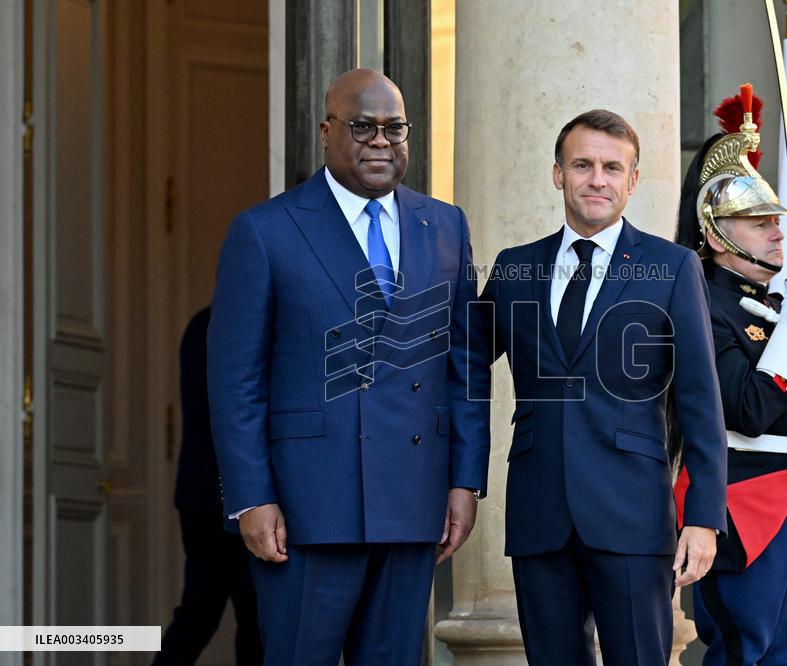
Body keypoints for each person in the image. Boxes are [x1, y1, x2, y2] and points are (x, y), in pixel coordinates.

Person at [207, 68, 489, 665]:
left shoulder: (444, 225)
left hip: (413, 500)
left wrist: (465, 481)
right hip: (306, 506)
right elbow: (237, 383)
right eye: (362, 127)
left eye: (395, 128)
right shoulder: (264, 230)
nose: (381, 141)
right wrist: (250, 497)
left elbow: (465, 366)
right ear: (327, 131)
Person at [473, 109, 728, 665]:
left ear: (632, 181)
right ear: (558, 174)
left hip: (633, 513)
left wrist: (704, 516)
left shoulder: (673, 267)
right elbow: (461, 366)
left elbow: (701, 402)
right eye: (582, 165)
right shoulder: (516, 269)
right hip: (540, 514)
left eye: (613, 167)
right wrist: (460, 482)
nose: (597, 179)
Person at [674, 87, 787, 665]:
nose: (777, 232)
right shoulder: (700, 304)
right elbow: (746, 409)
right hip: (740, 503)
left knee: (778, 653)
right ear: (716, 232)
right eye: (758, 222)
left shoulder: (770, 307)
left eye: (775, 219)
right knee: (742, 651)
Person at [154, 307, 262, 666]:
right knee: (253, 618)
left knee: (198, 612)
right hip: (236, 494)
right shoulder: (245, 323)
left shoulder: (199, 323)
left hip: (197, 493)